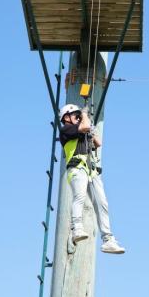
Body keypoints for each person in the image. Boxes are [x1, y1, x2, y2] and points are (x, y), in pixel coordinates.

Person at [59, 103, 125, 254]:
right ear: (67, 117)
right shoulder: (66, 130)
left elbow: (98, 143)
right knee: (80, 197)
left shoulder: (82, 131)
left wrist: (90, 128)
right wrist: (83, 114)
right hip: (77, 168)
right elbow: (83, 127)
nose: (77, 117)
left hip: (90, 170)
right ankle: (77, 228)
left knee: (102, 203)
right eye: (74, 115)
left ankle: (108, 239)